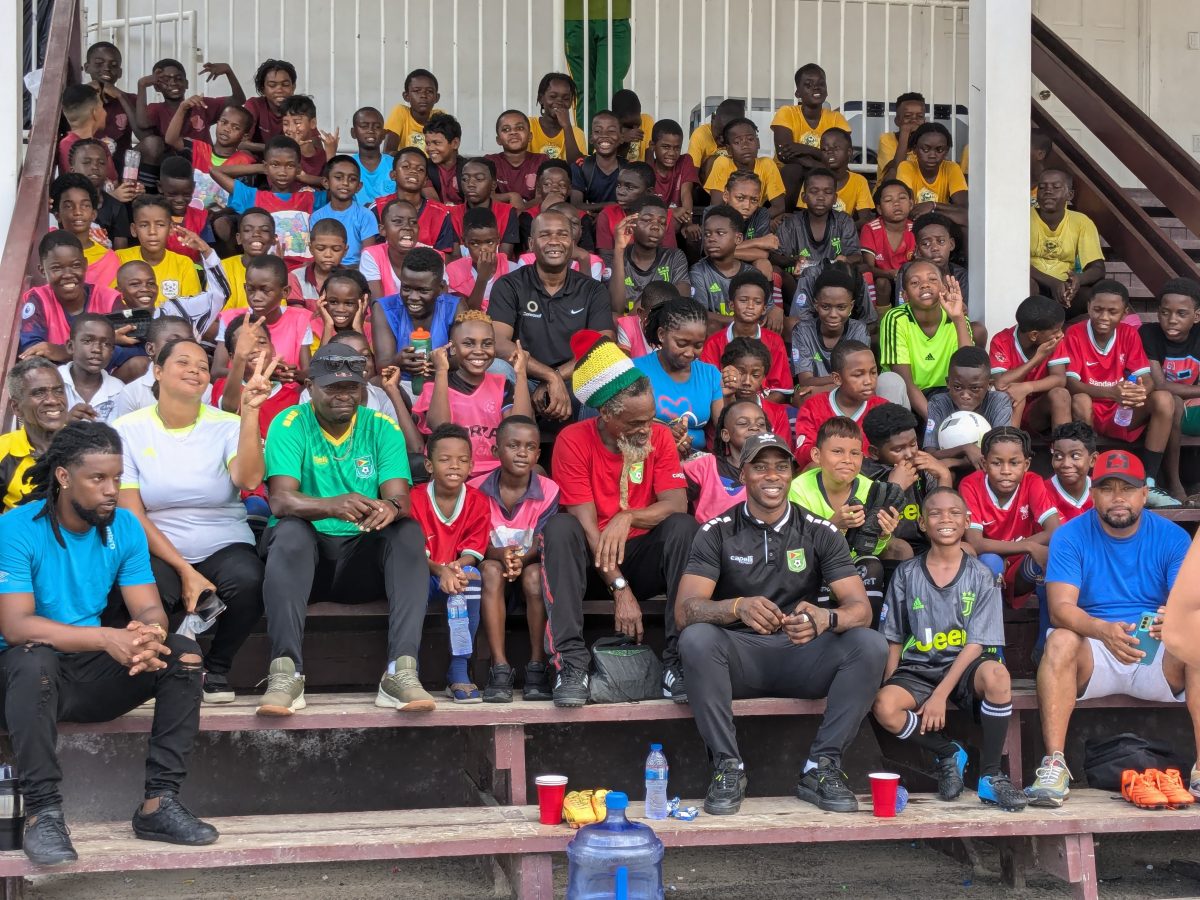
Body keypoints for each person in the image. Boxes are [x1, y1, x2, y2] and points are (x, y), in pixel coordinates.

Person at [0, 421, 218, 864]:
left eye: (117, 478)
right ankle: (43, 813)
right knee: (33, 659)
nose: (111, 490)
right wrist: (106, 637)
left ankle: (159, 803)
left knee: (183, 655)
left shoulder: (124, 527)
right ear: (63, 477)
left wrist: (148, 635)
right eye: (97, 478)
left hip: (84, 675)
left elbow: (149, 608)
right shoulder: (16, 529)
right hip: (22, 679)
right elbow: (17, 626)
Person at [676, 431, 887, 816]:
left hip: (802, 654)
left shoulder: (819, 530)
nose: (772, 476)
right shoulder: (717, 531)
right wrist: (736, 607)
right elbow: (686, 609)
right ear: (743, 476)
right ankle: (727, 766)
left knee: (869, 644)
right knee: (696, 639)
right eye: (760, 467)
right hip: (740, 658)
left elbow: (861, 608)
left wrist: (827, 617)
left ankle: (820, 768)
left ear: (792, 473)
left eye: (780, 466)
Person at [258, 342, 433, 715]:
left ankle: (401, 672)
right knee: (288, 531)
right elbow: (280, 500)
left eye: (351, 387)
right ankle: (285, 673)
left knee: (407, 532)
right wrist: (331, 506)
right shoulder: (289, 423)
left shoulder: (381, 426)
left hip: (361, 563)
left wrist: (389, 508)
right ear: (310, 388)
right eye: (332, 388)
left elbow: (400, 497)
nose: (343, 396)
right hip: (309, 565)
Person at [1030, 450, 1199, 807]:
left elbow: (1187, 603)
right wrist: (1102, 630)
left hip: (1155, 651)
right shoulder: (1070, 535)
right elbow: (1061, 609)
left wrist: (1175, 616)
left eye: (1128, 488)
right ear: (1093, 494)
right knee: (1059, 640)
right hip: (1096, 649)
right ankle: (1055, 764)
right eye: (1108, 489)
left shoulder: (1171, 536)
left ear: (1144, 494)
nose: (1118, 497)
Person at [542, 332, 699, 705]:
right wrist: (619, 589)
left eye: (650, 417)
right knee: (560, 529)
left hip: (640, 558)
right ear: (607, 415)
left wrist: (627, 516)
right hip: (591, 569)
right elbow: (586, 527)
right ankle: (571, 666)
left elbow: (676, 503)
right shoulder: (572, 441)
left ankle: (678, 661)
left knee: (683, 528)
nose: (647, 428)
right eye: (636, 423)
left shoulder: (658, 436)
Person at [116, 333, 271, 705]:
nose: (195, 371)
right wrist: (185, 570)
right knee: (152, 588)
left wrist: (249, 414)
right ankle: (162, 666)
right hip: (157, 540)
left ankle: (216, 667)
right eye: (183, 362)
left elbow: (249, 480)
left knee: (249, 581)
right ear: (157, 371)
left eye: (203, 366)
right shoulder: (126, 430)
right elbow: (130, 512)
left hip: (223, 538)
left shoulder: (227, 425)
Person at [873, 487, 1027, 811]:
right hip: (919, 667)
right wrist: (891, 683)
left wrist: (940, 695)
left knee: (998, 674)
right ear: (923, 525)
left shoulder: (982, 576)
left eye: (954, 513)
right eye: (935, 513)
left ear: (967, 521)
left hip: (965, 667)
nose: (945, 519)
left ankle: (990, 776)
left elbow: (976, 644)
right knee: (885, 706)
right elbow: (894, 638)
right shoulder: (906, 573)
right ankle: (948, 752)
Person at [1058, 279, 1181, 506]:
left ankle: (1149, 483)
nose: (1104, 317)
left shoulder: (1129, 334)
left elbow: (1147, 378)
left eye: (1112, 311)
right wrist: (1112, 393)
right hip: (1091, 410)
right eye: (1098, 309)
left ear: (1124, 313)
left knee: (1164, 399)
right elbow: (1071, 384)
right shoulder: (1074, 333)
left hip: (1122, 410)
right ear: (1088, 308)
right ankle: (1087, 481)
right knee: (1080, 399)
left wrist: (1138, 392)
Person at [489, 210, 615, 425]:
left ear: (573, 242)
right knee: (495, 368)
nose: (554, 241)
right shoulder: (510, 285)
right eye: (545, 235)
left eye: (562, 235)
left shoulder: (592, 289)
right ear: (531, 243)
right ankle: (506, 449)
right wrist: (549, 375)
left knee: (607, 371)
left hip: (575, 381)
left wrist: (556, 376)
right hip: (524, 379)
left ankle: (588, 450)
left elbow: (603, 346)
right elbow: (498, 344)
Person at [470, 416, 558, 702]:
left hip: (528, 565)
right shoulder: (475, 488)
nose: (522, 452)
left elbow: (543, 539)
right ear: (496, 451)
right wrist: (498, 554)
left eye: (530, 447)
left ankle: (536, 666)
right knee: (490, 571)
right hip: (494, 568)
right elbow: (473, 539)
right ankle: (500, 667)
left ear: (538, 454)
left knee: (535, 577)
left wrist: (521, 558)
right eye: (513, 445)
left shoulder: (549, 489)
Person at [407, 424, 491, 703]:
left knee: (472, 575)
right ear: (429, 464)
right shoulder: (414, 498)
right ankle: (408, 670)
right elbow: (413, 550)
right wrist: (440, 569)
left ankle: (458, 670)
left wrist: (454, 568)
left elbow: (473, 550)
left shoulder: (478, 501)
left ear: (471, 465)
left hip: (454, 573)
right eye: (445, 459)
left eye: (463, 460)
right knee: (410, 575)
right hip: (425, 574)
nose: (455, 466)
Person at [412, 311, 533, 477]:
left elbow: (520, 428)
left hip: (495, 473)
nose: (479, 351)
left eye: (487, 344)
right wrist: (441, 370)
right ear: (453, 348)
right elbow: (441, 427)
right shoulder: (435, 386)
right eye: (469, 344)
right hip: (455, 475)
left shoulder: (502, 384)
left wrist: (521, 374)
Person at [789, 416, 903, 578]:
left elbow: (871, 550)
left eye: (855, 453)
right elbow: (794, 548)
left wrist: (883, 534)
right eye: (837, 451)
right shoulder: (799, 488)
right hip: (810, 565)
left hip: (851, 566)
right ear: (816, 455)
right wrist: (832, 525)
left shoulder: (871, 489)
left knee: (873, 564)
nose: (847, 460)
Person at [961, 427, 1059, 607]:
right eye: (997, 463)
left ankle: (1048, 632)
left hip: (1021, 564)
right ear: (984, 463)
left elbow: (1054, 529)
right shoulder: (971, 485)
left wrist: (1018, 550)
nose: (1006, 470)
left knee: (1052, 558)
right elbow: (975, 543)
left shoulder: (1032, 481)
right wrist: (1027, 546)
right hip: (987, 562)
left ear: (1026, 465)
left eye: (1014, 463)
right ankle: (990, 628)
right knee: (991, 561)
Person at [878, 261, 972, 419]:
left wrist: (958, 319)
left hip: (946, 394)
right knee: (889, 381)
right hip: (907, 397)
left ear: (943, 288)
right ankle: (896, 438)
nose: (925, 285)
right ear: (905, 296)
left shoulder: (957, 318)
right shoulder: (896, 318)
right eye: (915, 282)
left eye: (933, 279)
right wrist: (935, 422)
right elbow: (906, 382)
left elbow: (969, 370)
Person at [861, 402, 953, 559]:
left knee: (964, 549)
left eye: (913, 444)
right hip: (884, 547)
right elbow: (869, 531)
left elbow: (942, 522)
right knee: (902, 550)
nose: (910, 453)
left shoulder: (923, 467)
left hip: (924, 543)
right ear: (874, 452)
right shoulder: (865, 474)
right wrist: (895, 487)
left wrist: (944, 476)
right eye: (898, 449)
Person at [634, 297, 723, 454]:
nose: (689, 353)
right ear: (662, 335)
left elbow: (724, 426)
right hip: (647, 456)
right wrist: (664, 435)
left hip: (698, 463)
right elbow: (625, 424)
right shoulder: (635, 370)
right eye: (681, 344)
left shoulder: (710, 374)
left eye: (698, 345)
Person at [775, 168, 867, 321]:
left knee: (863, 270)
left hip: (836, 284)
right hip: (799, 284)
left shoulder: (844, 221)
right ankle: (788, 317)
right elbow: (775, 256)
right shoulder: (790, 224)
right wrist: (794, 261)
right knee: (777, 271)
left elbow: (857, 256)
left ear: (835, 198)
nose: (820, 197)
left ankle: (866, 322)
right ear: (804, 197)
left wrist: (844, 260)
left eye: (827, 192)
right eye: (814, 191)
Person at [20, 232, 120, 363]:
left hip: (105, 379)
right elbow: (32, 351)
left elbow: (134, 348)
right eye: (56, 268)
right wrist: (105, 345)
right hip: (58, 380)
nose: (67, 275)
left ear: (85, 264)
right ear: (42, 271)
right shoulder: (39, 300)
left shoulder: (108, 299)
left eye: (75, 265)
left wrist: (63, 351)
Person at [371, 247, 464, 387]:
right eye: (406, 288)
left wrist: (441, 364)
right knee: (374, 384)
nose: (413, 297)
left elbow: (464, 356)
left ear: (441, 288)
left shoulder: (455, 306)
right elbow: (382, 366)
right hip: (402, 384)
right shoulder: (383, 308)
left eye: (423, 290)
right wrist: (399, 361)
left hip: (445, 384)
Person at [771, 63, 852, 208]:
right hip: (789, 175)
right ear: (798, 93)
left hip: (822, 169)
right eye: (808, 85)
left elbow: (841, 156)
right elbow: (784, 154)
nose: (816, 87)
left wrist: (804, 149)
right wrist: (820, 160)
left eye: (821, 84)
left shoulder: (836, 118)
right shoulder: (787, 112)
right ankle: (787, 214)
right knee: (793, 169)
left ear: (826, 90)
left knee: (843, 173)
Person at [923, 347, 1014, 472]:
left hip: (984, 469)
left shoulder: (999, 401)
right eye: (957, 387)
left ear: (989, 385)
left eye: (975, 388)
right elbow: (930, 454)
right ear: (948, 383)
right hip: (949, 470)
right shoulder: (939, 403)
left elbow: (1002, 449)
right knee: (934, 471)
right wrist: (965, 448)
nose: (965, 395)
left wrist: (957, 462)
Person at [989, 293, 1070, 433]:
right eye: (1056, 331)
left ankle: (1063, 448)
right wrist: (1037, 359)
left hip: (1038, 410)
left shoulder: (1054, 341)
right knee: (1012, 393)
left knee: (1060, 394)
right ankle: (1010, 447)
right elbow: (1000, 384)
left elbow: (1059, 379)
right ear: (1034, 335)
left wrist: (1027, 387)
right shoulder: (1001, 341)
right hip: (1010, 409)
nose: (1061, 334)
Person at [701, 270, 791, 394]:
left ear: (764, 308)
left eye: (757, 302)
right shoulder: (714, 343)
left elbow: (780, 391)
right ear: (731, 305)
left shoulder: (775, 341)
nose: (750, 306)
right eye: (743, 300)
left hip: (763, 407)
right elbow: (709, 389)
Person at [793, 340, 887, 458]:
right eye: (858, 375)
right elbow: (804, 455)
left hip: (873, 475)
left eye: (873, 372)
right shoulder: (813, 407)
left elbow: (894, 449)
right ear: (837, 378)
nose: (869, 381)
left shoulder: (883, 408)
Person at [1030, 169, 1105, 315]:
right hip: (1034, 284)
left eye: (1056, 187)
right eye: (1042, 187)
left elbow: (1098, 268)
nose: (1048, 191)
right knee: (1027, 285)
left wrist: (1078, 280)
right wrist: (1052, 283)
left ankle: (1060, 327)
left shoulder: (1081, 222)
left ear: (1069, 195)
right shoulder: (1023, 217)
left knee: (1098, 294)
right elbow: (1014, 264)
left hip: (1064, 287)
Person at [0, 359, 71, 512]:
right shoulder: (2, 450)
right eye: (39, 393)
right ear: (16, 407)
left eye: (58, 391)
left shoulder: (89, 446)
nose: (52, 400)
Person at [682, 400, 768, 524]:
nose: (755, 427)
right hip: (707, 540)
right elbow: (676, 501)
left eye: (761, 424)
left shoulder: (772, 472)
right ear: (725, 435)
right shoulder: (704, 467)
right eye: (743, 423)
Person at [790, 266, 871, 397]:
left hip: (846, 394)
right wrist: (843, 380)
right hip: (818, 394)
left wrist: (821, 388)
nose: (833, 314)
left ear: (851, 306)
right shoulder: (802, 331)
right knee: (803, 396)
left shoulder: (859, 330)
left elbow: (860, 378)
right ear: (816, 305)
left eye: (841, 307)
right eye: (825, 306)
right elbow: (805, 381)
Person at [137, 57, 244, 148]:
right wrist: (142, 85)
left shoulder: (201, 104)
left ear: (186, 84)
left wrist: (228, 71)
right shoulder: (157, 109)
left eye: (178, 78)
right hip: (173, 165)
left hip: (203, 164)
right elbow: (142, 124)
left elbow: (239, 100)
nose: (173, 83)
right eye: (166, 80)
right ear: (157, 87)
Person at [115, 195, 203, 306]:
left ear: (171, 229)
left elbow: (192, 309)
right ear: (134, 229)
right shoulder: (118, 259)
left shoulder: (184, 264)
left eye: (160, 225)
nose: (152, 232)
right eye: (144, 225)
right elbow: (111, 303)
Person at [112, 316, 208, 418]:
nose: (183, 347)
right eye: (173, 342)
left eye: (189, 342)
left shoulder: (205, 389)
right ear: (151, 349)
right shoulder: (132, 393)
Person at [367, 150, 456, 255]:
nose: (413, 171)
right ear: (393, 175)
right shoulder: (378, 208)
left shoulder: (441, 214)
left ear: (425, 180)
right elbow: (372, 253)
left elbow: (448, 257)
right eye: (406, 166)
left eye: (420, 169)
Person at [1142, 277, 1200, 437]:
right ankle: (1171, 463)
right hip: (1157, 406)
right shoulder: (1148, 334)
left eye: (1181, 314)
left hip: (1191, 401)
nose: (1172, 320)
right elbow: (1159, 385)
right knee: (1174, 403)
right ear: (1158, 313)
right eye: (1165, 313)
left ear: (1196, 316)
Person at [608, 200, 690, 312]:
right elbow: (616, 308)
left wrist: (637, 312)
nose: (656, 227)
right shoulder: (619, 256)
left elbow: (683, 296)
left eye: (662, 223)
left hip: (660, 324)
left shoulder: (674, 256)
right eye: (647, 220)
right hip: (625, 326)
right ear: (631, 222)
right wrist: (618, 249)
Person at [686, 206, 759, 327]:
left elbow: (763, 313)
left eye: (720, 233)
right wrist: (739, 322)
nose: (711, 239)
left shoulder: (753, 274)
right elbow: (699, 313)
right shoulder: (698, 272)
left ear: (738, 238)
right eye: (707, 234)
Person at [704, 119, 786, 224]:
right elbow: (716, 206)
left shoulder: (767, 164)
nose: (745, 146)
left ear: (758, 143)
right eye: (737, 142)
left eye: (750, 139)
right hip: (727, 222)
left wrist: (754, 222)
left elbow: (779, 207)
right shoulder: (723, 163)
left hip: (754, 222)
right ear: (728, 149)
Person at [563, 2, 632, 127]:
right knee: (584, 88)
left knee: (608, 87)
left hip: (615, 13)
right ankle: (586, 144)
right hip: (576, 15)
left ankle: (609, 143)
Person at [50, 173, 120, 288]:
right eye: (68, 206)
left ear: (93, 214)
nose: (78, 212)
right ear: (57, 215)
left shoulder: (108, 259)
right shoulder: (47, 245)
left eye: (85, 205)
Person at [718, 338, 792, 445]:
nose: (747, 382)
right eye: (740, 373)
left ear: (764, 377)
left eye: (755, 375)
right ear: (726, 370)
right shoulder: (715, 405)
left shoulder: (778, 413)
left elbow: (782, 454)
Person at [309, 156, 379, 266]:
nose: (345, 183)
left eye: (352, 179)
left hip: (356, 270)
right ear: (326, 182)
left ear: (359, 187)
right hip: (325, 267)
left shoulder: (366, 215)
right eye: (338, 177)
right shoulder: (317, 216)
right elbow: (316, 252)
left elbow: (368, 257)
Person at [896, 123, 967, 227]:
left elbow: (965, 208)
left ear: (946, 151)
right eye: (925, 149)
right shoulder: (906, 167)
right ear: (915, 149)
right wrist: (941, 209)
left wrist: (932, 206)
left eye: (939, 150)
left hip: (942, 224)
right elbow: (910, 208)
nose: (932, 155)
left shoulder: (952, 168)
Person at [595, 162, 678, 251]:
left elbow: (669, 256)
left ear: (649, 192)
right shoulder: (607, 215)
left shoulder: (664, 216)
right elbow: (606, 257)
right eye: (618, 185)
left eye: (630, 187)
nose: (620, 192)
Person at [859, 179, 915, 310]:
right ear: (879, 208)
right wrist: (889, 274)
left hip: (909, 279)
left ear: (911, 204)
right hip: (881, 280)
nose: (896, 204)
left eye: (902, 198)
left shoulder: (916, 228)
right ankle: (880, 320)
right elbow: (868, 267)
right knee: (882, 283)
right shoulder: (871, 229)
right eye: (889, 200)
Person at [68, 138, 132, 249]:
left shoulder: (117, 208)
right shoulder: (63, 203)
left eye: (101, 163)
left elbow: (120, 253)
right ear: (72, 170)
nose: (95, 167)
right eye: (87, 162)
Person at [799, 128, 873, 224]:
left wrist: (843, 230)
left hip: (845, 233)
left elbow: (865, 219)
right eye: (824, 149)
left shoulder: (859, 181)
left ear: (849, 152)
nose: (829, 151)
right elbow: (804, 216)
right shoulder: (813, 179)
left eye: (836, 148)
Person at [57, 315, 123, 424]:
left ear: (112, 351)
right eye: (87, 341)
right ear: (70, 346)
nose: (97, 349)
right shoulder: (53, 382)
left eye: (106, 344)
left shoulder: (119, 391)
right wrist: (63, 423)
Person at [449, 158, 521, 256]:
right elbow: (454, 256)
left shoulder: (507, 212)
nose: (470, 184)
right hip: (461, 270)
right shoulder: (451, 213)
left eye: (479, 179)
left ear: (493, 185)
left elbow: (505, 255)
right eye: (465, 179)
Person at [446, 208, 514, 311]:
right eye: (475, 243)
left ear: (498, 239)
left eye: (490, 242)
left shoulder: (512, 269)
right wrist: (482, 278)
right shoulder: (454, 270)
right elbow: (467, 314)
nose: (483, 249)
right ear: (464, 242)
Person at [485, 110, 549, 207]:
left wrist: (521, 209)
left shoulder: (542, 161)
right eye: (506, 129)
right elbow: (483, 196)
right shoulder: (490, 162)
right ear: (498, 140)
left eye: (519, 128)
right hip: (499, 217)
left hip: (533, 218)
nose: (513, 132)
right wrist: (511, 196)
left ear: (530, 137)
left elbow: (546, 197)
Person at [58, 84, 116, 183]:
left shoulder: (100, 145)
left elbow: (113, 181)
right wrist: (114, 195)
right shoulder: (70, 146)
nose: (105, 113)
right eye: (102, 107)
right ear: (94, 113)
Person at [648, 120, 700, 225]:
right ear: (653, 146)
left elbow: (686, 194)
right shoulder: (647, 167)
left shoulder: (685, 161)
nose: (672, 153)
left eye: (677, 148)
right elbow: (647, 207)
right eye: (666, 147)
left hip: (678, 220)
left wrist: (688, 224)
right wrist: (669, 212)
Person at [570, 110, 625, 210]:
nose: (604, 135)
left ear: (621, 138)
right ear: (591, 138)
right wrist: (608, 206)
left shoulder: (629, 169)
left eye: (611, 131)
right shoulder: (580, 166)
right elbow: (576, 205)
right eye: (597, 131)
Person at [1045, 421, 1098, 525]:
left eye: (1075, 456)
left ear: (1093, 460)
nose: (1066, 464)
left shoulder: (1101, 490)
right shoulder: (1040, 491)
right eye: (1058, 456)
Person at [528, 72, 587, 163]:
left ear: (571, 102)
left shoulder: (576, 133)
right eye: (553, 96)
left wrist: (567, 126)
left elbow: (576, 164)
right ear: (541, 99)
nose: (559, 101)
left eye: (566, 98)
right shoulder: (528, 125)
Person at [383, 68, 442, 153]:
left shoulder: (439, 117)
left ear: (437, 97)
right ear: (406, 96)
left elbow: (448, 153)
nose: (423, 96)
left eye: (429, 91)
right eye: (417, 91)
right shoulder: (400, 112)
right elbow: (388, 152)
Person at [242, 58, 296, 151]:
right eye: (272, 85)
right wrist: (277, 148)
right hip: (257, 162)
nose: (279, 90)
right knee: (243, 155)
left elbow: (314, 147)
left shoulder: (300, 108)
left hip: (289, 162)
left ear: (293, 87)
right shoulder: (254, 105)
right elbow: (241, 144)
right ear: (263, 89)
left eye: (285, 84)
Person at [688, 98, 742, 184]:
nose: (722, 139)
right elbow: (692, 174)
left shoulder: (742, 137)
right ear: (713, 118)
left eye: (727, 135)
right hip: (706, 189)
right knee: (714, 160)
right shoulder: (700, 135)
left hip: (734, 187)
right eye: (719, 133)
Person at [876, 91, 926, 183]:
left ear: (924, 121)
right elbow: (893, 176)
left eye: (920, 116)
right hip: (891, 191)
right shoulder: (887, 139)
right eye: (907, 116)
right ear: (897, 121)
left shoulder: (927, 142)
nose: (914, 120)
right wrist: (905, 133)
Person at [349, 106, 394, 207]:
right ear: (353, 132)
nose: (371, 130)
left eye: (377, 127)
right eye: (364, 126)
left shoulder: (395, 164)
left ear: (383, 134)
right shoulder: (347, 165)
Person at [279, 95, 328, 180]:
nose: (291, 129)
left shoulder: (323, 156)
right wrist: (293, 150)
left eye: (297, 122)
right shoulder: (278, 154)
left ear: (312, 123)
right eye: (286, 124)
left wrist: (331, 153)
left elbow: (330, 184)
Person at [423, 113, 465, 205]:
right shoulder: (424, 168)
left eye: (437, 143)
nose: (430, 148)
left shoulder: (468, 169)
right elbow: (433, 203)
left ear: (455, 143)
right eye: (428, 143)